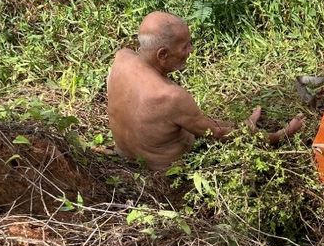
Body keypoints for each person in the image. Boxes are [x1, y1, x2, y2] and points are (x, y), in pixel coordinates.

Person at [107, 11, 304, 170]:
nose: (190, 51)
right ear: (163, 55)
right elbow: (217, 134)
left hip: (125, 161)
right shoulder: (169, 96)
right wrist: (279, 135)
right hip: (167, 172)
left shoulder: (121, 58)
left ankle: (244, 125)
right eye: (185, 46)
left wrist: (242, 125)